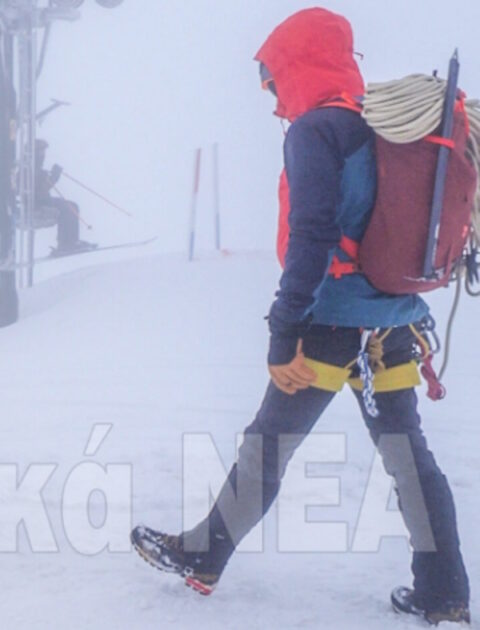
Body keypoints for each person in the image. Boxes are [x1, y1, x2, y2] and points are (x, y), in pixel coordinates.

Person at [131, 8, 470, 624]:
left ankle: (204, 558)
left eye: (272, 81)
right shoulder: (382, 125)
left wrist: (283, 330)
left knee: (267, 447)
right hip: (394, 324)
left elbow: (312, 233)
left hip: (331, 325)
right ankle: (445, 591)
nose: (272, 101)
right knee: (408, 456)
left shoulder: (318, 129)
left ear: (297, 67)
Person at [35, 139, 94, 257]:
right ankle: (67, 244)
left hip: (42, 200)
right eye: (41, 151)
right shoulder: (30, 168)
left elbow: (42, 185)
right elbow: (40, 190)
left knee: (72, 205)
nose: (43, 155)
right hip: (38, 203)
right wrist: (54, 177)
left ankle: (69, 241)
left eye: (44, 151)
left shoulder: (35, 167)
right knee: (67, 208)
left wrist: (50, 175)